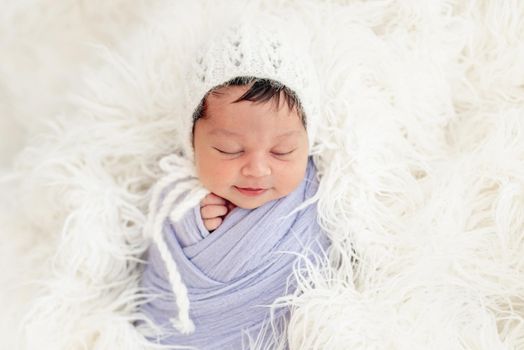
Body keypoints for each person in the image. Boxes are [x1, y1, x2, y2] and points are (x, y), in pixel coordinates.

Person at [136, 19, 329, 349]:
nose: (256, 169)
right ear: (192, 143)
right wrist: (189, 225)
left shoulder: (319, 195)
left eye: (282, 151)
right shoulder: (176, 196)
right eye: (229, 150)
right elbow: (156, 268)